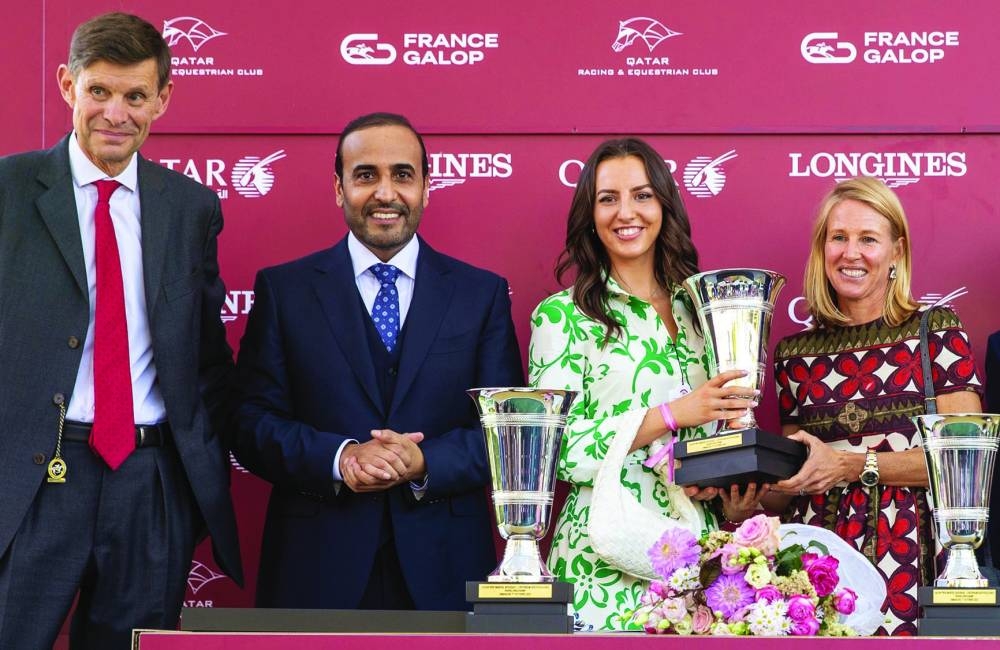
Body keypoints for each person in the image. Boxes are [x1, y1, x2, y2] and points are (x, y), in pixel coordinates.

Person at [0, 12, 242, 649]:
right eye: (99, 91)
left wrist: (186, 483)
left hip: (149, 480)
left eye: (135, 96)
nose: (116, 114)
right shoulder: (8, 190)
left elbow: (207, 358)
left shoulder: (191, 208)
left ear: (162, 99)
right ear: (67, 85)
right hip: (34, 478)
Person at [232, 112, 523, 611]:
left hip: (446, 568)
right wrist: (340, 457)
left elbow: (506, 432)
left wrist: (424, 462)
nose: (385, 193)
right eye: (366, 175)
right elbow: (250, 424)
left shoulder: (481, 294)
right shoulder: (285, 291)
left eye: (402, 175)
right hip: (316, 568)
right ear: (339, 188)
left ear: (426, 187)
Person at [527, 138, 761, 631]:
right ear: (590, 214)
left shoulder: (701, 310)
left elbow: (715, 431)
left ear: (664, 205)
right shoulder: (562, 316)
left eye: (642, 195)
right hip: (603, 565)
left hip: (698, 561)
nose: (625, 212)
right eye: (607, 198)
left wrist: (720, 480)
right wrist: (671, 415)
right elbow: (557, 451)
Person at [770, 176, 983, 635]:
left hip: (909, 555)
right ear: (822, 249)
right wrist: (745, 496)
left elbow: (963, 462)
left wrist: (852, 466)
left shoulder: (935, 331)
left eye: (868, 239)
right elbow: (795, 475)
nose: (851, 253)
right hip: (818, 569)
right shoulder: (793, 356)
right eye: (838, 238)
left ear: (896, 252)